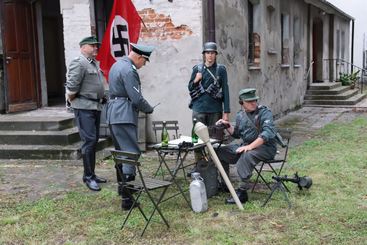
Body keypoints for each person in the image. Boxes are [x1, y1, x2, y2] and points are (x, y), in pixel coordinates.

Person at [106, 43, 154, 210]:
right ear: (140, 57)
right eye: (145, 61)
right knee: (130, 154)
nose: (143, 65)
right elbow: (136, 98)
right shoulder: (130, 70)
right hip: (124, 114)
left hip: (113, 113)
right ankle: (127, 198)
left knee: (120, 153)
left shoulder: (116, 65)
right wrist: (149, 108)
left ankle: (122, 187)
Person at [216, 88, 277, 204]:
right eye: (249, 101)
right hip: (246, 146)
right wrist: (227, 125)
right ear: (241, 103)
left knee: (246, 155)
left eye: (254, 100)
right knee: (220, 151)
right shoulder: (240, 115)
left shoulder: (264, 112)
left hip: (266, 148)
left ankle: (242, 192)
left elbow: (267, 133)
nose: (253, 103)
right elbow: (237, 133)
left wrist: (249, 147)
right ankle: (225, 183)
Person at [65, 36, 107, 192]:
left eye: (96, 46)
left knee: (93, 140)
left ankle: (92, 174)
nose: (96, 48)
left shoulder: (93, 63)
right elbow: (72, 85)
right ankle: (88, 177)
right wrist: (73, 99)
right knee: (89, 140)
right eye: (92, 45)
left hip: (94, 106)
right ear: (83, 47)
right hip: (83, 107)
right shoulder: (79, 61)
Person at [188, 41, 230, 127]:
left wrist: (226, 112)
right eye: (207, 53)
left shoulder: (221, 69)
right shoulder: (197, 69)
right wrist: (196, 80)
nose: (210, 55)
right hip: (199, 109)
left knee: (215, 137)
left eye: (212, 53)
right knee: (199, 137)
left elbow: (225, 91)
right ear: (204, 54)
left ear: (215, 54)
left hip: (215, 110)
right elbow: (190, 88)